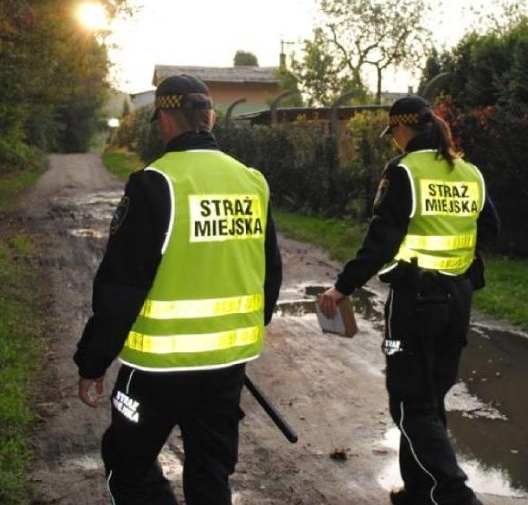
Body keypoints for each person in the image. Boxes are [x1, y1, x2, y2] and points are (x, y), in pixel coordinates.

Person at [74, 74, 283, 505]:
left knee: (126, 467)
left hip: (156, 370)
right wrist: (238, 336)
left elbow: (121, 287)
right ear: (210, 118)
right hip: (226, 367)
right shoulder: (251, 181)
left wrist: (93, 362)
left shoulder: (155, 183)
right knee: (210, 477)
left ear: (166, 120)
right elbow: (270, 275)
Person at [317, 95, 499, 505]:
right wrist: (460, 261)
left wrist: (342, 287)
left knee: (410, 404)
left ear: (402, 128)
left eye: (393, 134)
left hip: (416, 300)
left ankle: (456, 496)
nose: (393, 142)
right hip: (457, 296)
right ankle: (418, 492)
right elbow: (491, 226)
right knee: (430, 399)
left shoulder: (404, 171)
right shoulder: (468, 172)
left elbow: (381, 242)